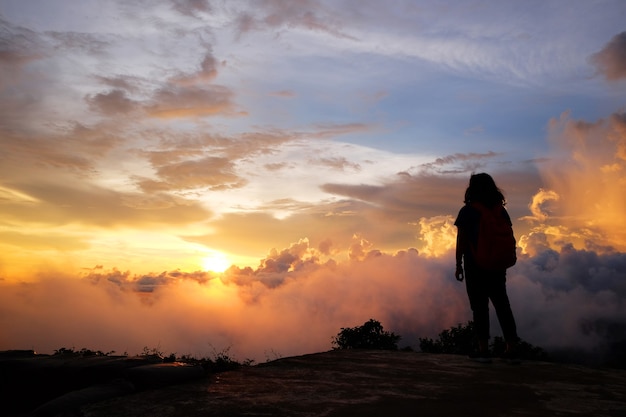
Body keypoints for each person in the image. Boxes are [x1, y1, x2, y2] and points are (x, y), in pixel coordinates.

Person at [454, 173, 519, 364]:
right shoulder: (501, 211)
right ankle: (511, 349)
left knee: (479, 307)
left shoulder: (467, 211)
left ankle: (483, 350)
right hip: (498, 265)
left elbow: (462, 240)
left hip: (475, 265)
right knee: (502, 306)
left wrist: (458, 264)